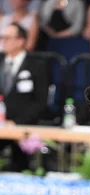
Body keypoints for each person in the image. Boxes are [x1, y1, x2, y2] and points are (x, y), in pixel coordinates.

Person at [0, 23, 48, 170]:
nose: (3, 41)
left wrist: (16, 122)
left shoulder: (37, 66)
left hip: (24, 126)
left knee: (22, 165)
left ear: (21, 41)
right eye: (2, 37)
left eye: (7, 38)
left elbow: (41, 102)